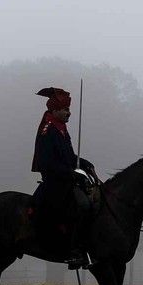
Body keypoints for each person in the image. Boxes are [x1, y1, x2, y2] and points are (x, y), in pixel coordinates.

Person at [31, 86, 96, 269]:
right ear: (54, 110)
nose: (69, 113)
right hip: (55, 182)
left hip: (67, 179)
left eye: (69, 109)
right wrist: (70, 172)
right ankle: (75, 252)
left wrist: (84, 163)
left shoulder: (61, 128)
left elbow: (68, 157)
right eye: (65, 109)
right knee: (82, 205)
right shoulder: (47, 130)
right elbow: (47, 162)